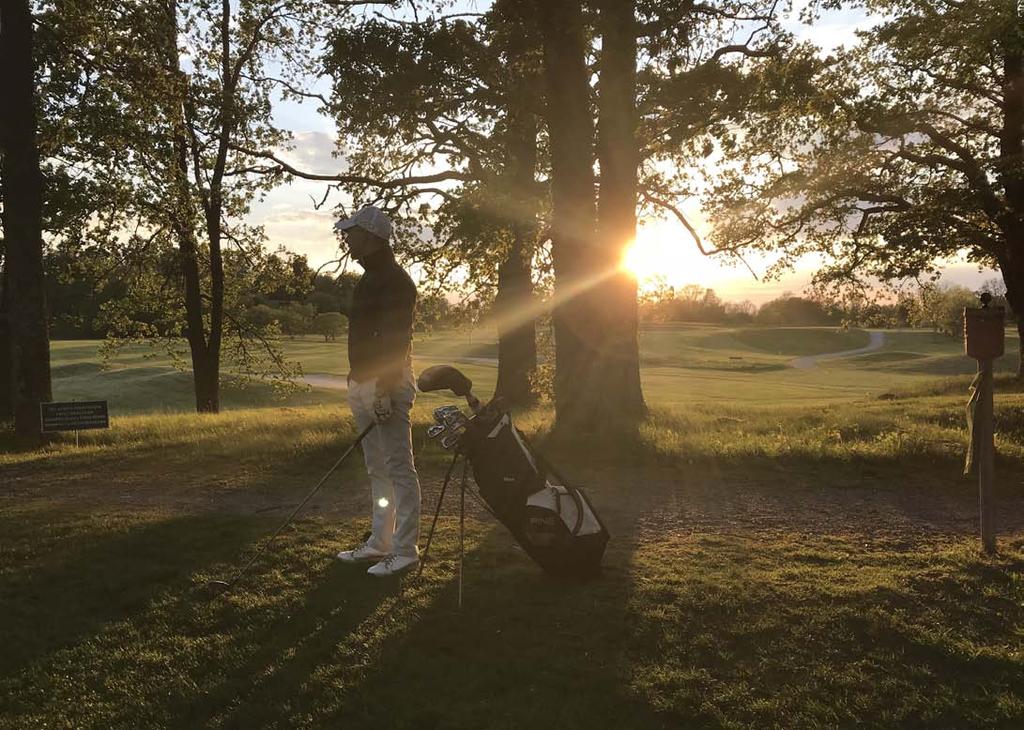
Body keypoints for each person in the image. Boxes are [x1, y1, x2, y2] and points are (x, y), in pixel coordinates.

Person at [334, 206, 421, 576]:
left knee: (399, 467)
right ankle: (380, 542)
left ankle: (405, 549)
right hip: (363, 382)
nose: (346, 238)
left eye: (352, 232)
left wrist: (384, 388)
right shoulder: (368, 278)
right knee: (376, 468)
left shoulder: (397, 281)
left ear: (371, 237)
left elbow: (394, 339)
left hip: (387, 384)